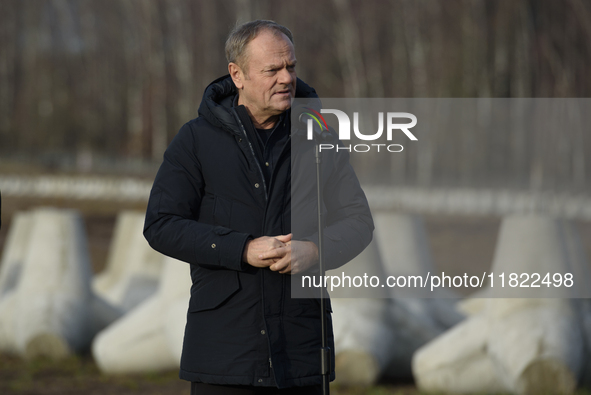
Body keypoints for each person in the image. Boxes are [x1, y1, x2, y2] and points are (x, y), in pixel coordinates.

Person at [143, 20, 373, 395]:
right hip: (224, 355)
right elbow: (161, 225)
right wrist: (243, 249)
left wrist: (315, 250)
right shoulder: (195, 140)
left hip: (302, 353)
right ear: (238, 75)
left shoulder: (321, 136)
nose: (286, 78)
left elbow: (359, 221)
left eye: (291, 67)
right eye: (272, 70)